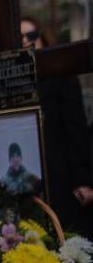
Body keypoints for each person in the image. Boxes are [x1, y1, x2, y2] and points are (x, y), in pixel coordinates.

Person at [20, 16, 93, 234]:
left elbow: (76, 130)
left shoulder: (62, 77)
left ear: (42, 38)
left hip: (61, 172)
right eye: (19, 37)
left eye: (31, 35)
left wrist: (83, 180)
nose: (25, 41)